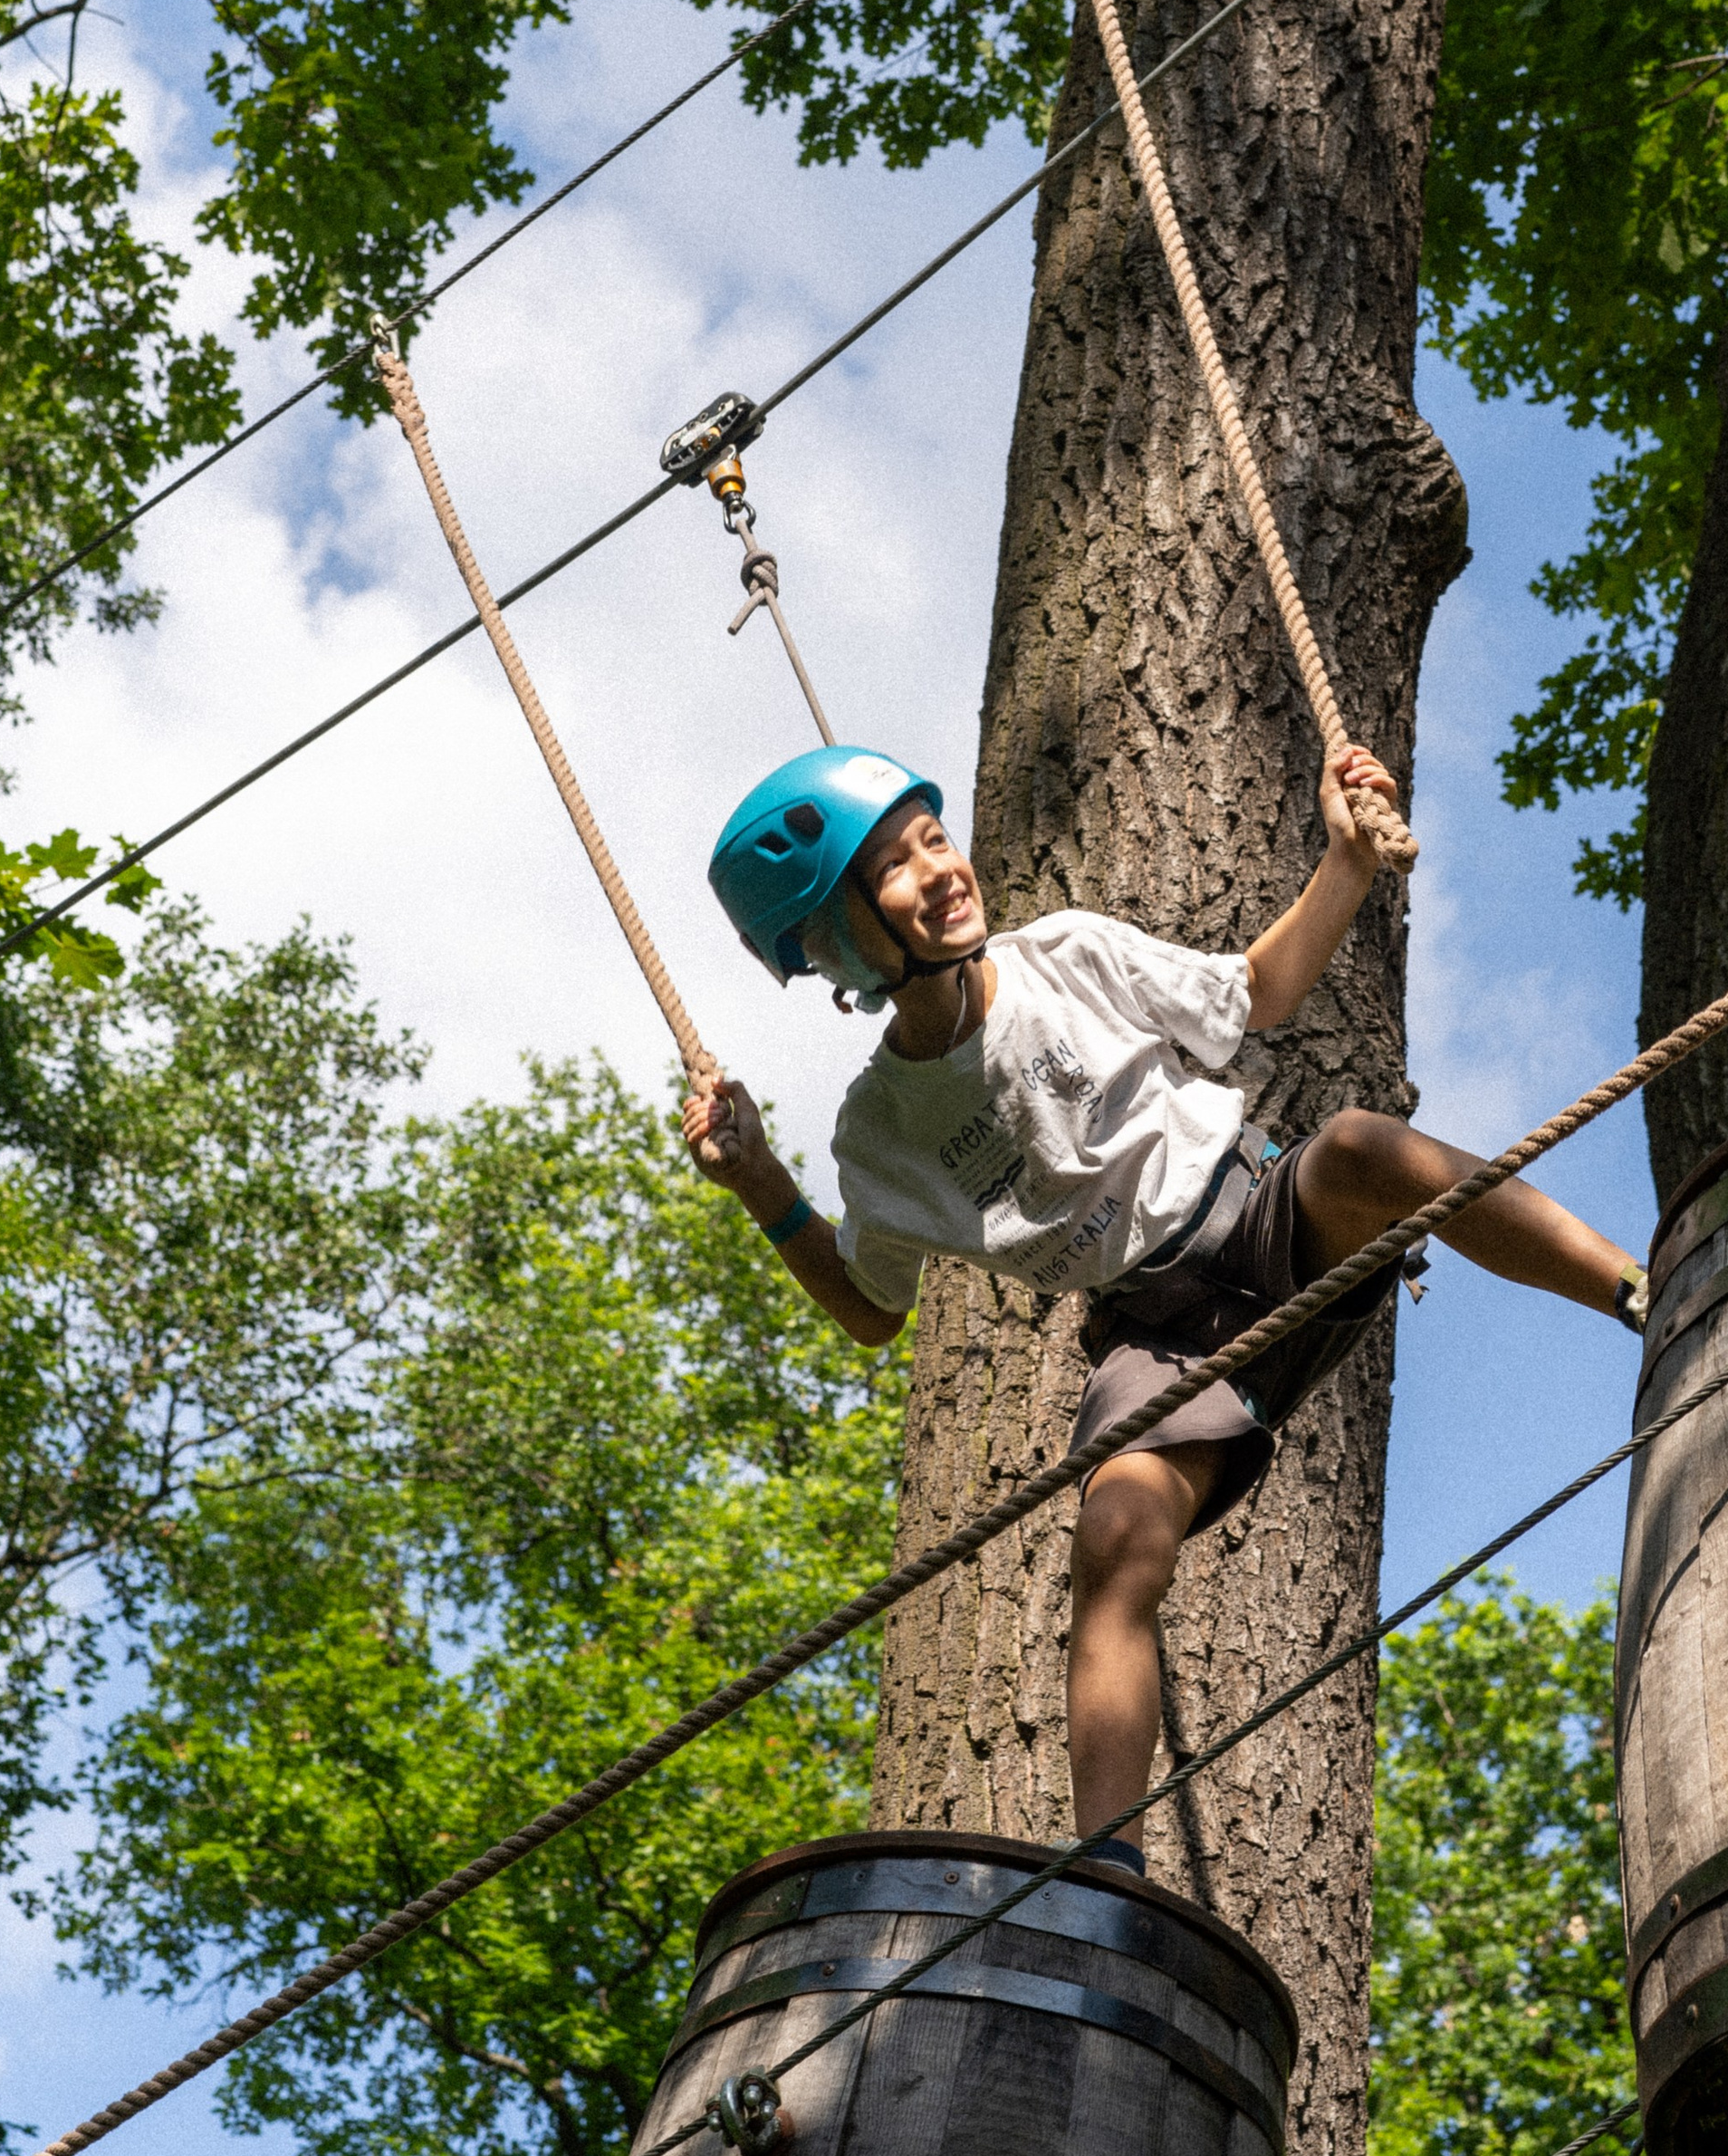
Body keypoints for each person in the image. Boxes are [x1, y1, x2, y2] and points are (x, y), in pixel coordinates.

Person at [684, 739, 1647, 1878]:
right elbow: (869, 1306)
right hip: (1159, 1338)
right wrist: (762, 1186)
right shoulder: (880, 1135)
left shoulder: (1064, 956)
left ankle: (1643, 1293)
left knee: (1361, 1149)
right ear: (837, 943)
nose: (940, 869)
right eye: (894, 866)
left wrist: (1344, 861)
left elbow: (1259, 993)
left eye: (934, 838)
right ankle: (1108, 1874)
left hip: (1264, 1219)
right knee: (1114, 1532)